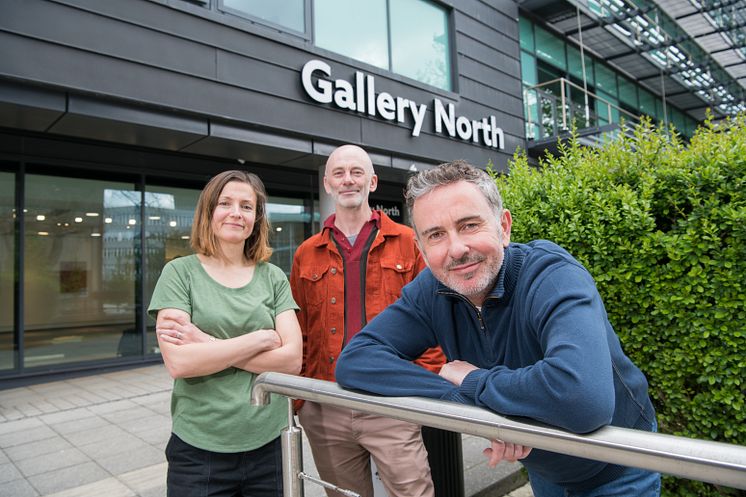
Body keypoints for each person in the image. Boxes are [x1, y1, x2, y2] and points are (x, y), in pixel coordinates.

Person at [336, 160, 661, 497]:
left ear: (503, 227)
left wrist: (474, 380)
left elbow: (582, 398)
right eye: (436, 235)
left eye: (469, 225)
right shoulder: (430, 291)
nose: (457, 249)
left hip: (617, 465)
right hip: (544, 465)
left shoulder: (552, 275)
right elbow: (356, 361)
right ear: (421, 249)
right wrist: (468, 402)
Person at [289, 144, 444, 497]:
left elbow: (435, 323)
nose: (348, 180)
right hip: (326, 406)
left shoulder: (408, 242)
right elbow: (299, 331)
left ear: (372, 182)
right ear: (327, 183)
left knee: (414, 493)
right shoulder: (306, 252)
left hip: (391, 403)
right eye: (339, 173)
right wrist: (303, 401)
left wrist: (415, 388)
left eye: (356, 172)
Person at [149, 170, 302, 497]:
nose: (236, 212)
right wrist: (260, 339)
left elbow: (291, 362)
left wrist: (206, 344)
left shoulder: (273, 277)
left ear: (256, 219)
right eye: (225, 203)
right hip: (199, 449)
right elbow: (180, 363)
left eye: (247, 206)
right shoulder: (179, 273)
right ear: (209, 212)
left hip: (268, 444)